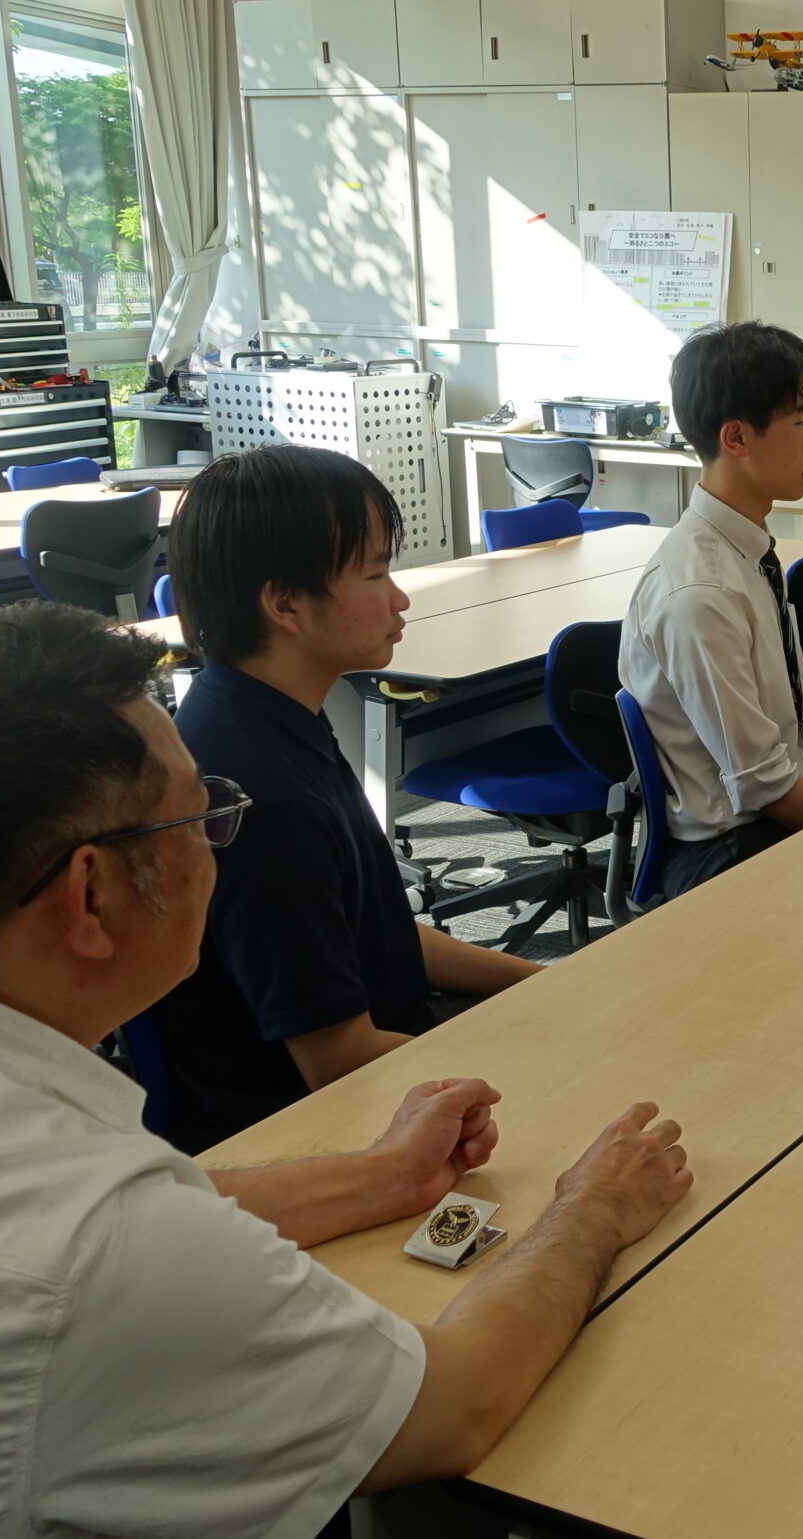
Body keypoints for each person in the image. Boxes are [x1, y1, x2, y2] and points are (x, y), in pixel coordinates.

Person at [0, 602, 695, 1535]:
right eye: (199, 813)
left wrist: (384, 1174)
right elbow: (455, 1407)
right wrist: (592, 1208)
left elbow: (83, 1211)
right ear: (90, 895)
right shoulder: (99, 1248)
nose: (219, 838)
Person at [147, 445, 539, 1153]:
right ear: (285, 604)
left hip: (386, 1049)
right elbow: (339, 1063)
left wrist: (543, 984)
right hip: (308, 1128)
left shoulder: (261, 712)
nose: (400, 598)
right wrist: (537, 1059)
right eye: (376, 573)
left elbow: (376, 933)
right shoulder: (262, 800)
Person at [624, 322, 803, 900]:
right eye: (800, 422)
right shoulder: (701, 593)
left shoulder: (749, 551)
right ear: (737, 438)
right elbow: (765, 787)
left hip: (792, 805)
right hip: (733, 847)